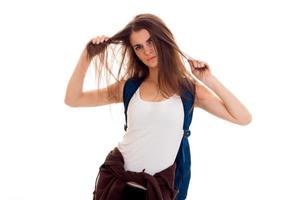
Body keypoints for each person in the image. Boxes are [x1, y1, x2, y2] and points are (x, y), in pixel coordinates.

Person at [64, 13, 252, 200]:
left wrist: (208, 79)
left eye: (151, 41)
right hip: (118, 182)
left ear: (164, 40)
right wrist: (87, 56)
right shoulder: (129, 87)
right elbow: (73, 99)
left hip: (157, 190)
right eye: (139, 47)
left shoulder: (189, 91)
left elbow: (242, 117)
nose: (147, 51)